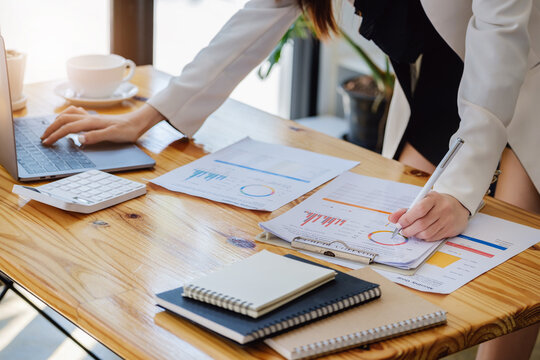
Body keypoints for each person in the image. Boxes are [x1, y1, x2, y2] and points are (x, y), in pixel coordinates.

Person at [41, 1, 539, 358]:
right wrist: (149, 114)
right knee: (402, 254)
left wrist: (461, 187)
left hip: (526, 78)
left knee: (512, 283)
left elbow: (501, 41)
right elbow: (257, 19)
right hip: (437, 88)